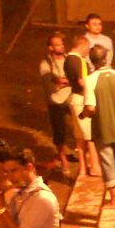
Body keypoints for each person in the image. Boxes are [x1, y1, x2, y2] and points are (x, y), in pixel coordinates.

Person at [83, 45, 115, 207]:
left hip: (102, 129)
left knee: (107, 162)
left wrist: (85, 113)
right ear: (106, 58)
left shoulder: (90, 80)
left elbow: (90, 107)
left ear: (92, 62)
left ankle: (114, 199)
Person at [64, 32, 99, 177]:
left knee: (80, 137)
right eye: (87, 48)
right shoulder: (78, 60)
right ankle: (95, 167)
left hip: (75, 99)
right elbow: (82, 81)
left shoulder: (68, 60)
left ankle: (83, 168)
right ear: (82, 46)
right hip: (81, 100)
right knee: (89, 136)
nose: (88, 51)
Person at [39, 32, 73, 173]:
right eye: (57, 45)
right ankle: (63, 159)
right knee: (59, 131)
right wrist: (62, 81)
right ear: (50, 48)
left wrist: (62, 81)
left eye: (62, 44)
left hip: (71, 98)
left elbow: (75, 78)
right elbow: (50, 83)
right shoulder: (45, 63)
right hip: (55, 101)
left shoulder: (69, 59)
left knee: (81, 127)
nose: (61, 47)